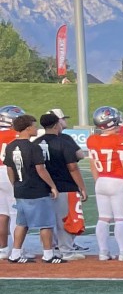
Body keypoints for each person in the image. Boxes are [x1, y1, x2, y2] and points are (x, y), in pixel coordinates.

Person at [3, 112, 58, 263]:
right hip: (36, 189)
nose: (36, 129)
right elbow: (41, 169)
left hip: (20, 189)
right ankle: (48, 254)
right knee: (46, 223)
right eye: (34, 126)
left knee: (22, 223)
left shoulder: (10, 146)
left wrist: (15, 184)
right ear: (27, 128)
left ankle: (15, 253)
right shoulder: (34, 147)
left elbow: (9, 169)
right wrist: (52, 186)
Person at [86, 106, 123, 262]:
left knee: (103, 218)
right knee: (121, 219)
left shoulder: (92, 140)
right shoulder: (120, 140)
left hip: (101, 180)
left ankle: (103, 252)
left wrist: (98, 181)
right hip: (118, 181)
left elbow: (92, 165)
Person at [36, 110, 83, 256]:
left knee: (47, 221)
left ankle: (48, 249)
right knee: (64, 219)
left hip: (43, 187)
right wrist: (82, 187)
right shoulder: (63, 141)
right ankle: (66, 249)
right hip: (64, 185)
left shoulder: (36, 142)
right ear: (57, 124)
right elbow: (73, 166)